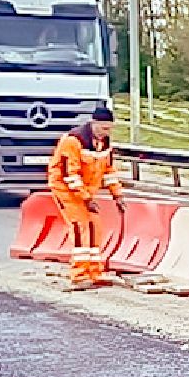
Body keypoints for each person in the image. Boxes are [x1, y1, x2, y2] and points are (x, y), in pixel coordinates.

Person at [47, 105, 124, 290]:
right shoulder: (73, 141)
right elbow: (69, 175)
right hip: (66, 190)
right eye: (104, 128)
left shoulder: (104, 144)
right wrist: (86, 198)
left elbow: (108, 171)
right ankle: (79, 275)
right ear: (94, 123)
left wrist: (117, 194)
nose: (106, 133)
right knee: (80, 226)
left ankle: (94, 272)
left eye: (109, 129)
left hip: (87, 192)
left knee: (94, 227)